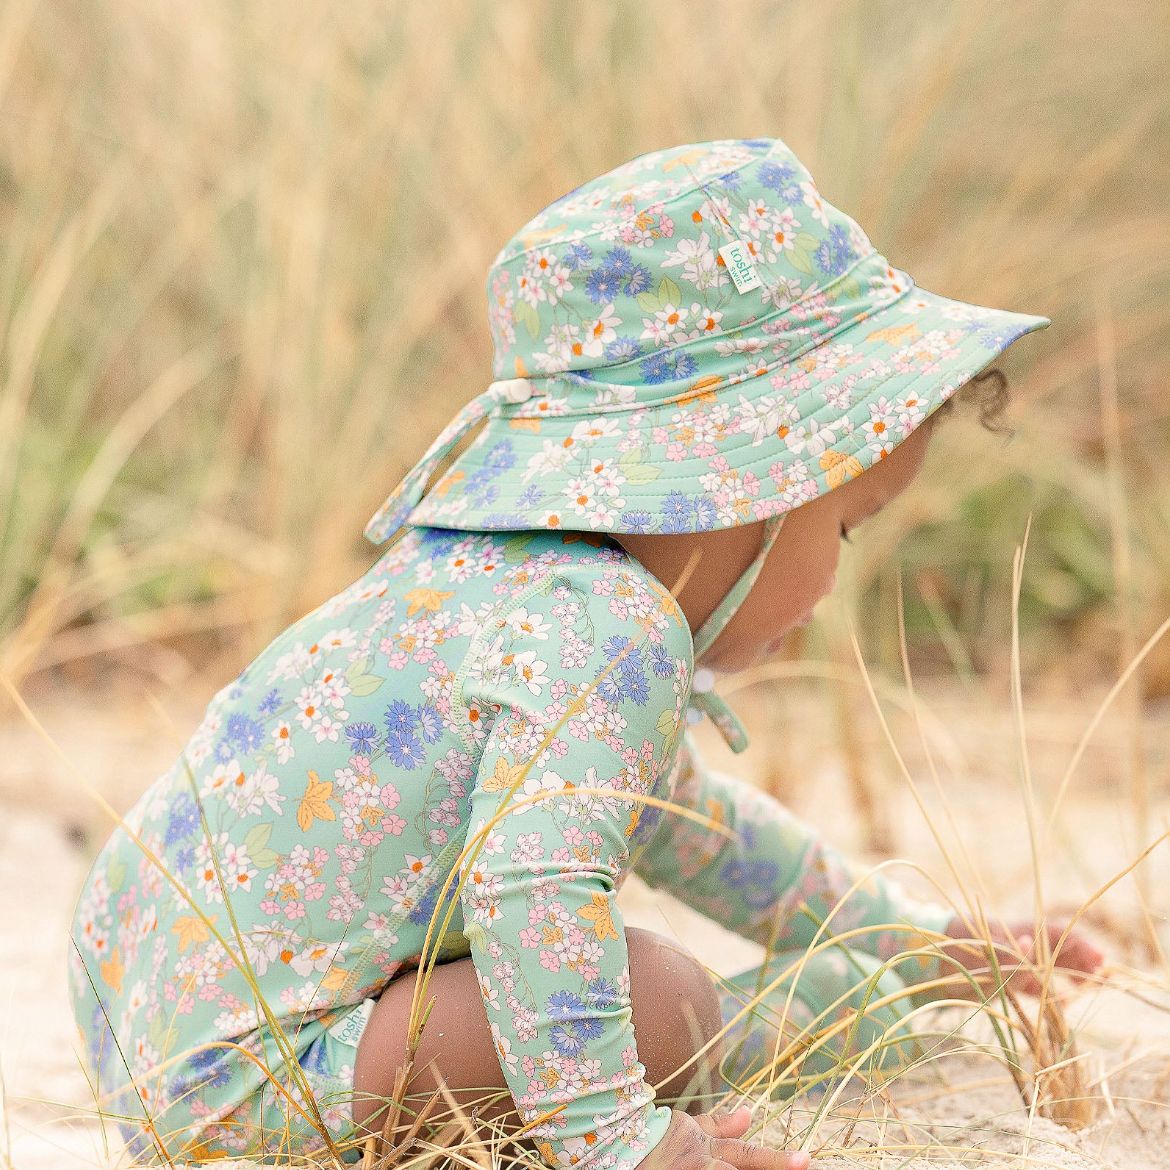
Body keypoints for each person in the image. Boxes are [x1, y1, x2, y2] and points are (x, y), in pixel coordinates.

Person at [68, 137, 1103, 1170]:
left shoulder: (487, 578)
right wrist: (618, 1144)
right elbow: (533, 888)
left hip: (157, 1035)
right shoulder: (609, 627)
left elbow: (691, 832)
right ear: (747, 486)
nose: (834, 581)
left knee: (638, 988)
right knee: (665, 998)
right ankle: (760, 1034)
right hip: (254, 1093)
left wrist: (918, 938)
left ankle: (836, 997)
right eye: (844, 529)